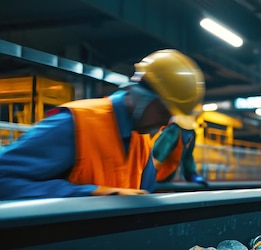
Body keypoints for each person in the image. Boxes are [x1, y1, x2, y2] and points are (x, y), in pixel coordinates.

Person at [0, 49, 205, 200]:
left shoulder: (141, 140)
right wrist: (88, 194)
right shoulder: (74, 123)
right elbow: (4, 179)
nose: (165, 122)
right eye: (163, 111)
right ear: (141, 96)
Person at [150, 115, 208, 186]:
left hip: (165, 178)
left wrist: (192, 175)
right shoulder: (173, 130)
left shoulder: (191, 134)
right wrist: (148, 179)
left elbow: (188, 158)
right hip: (155, 178)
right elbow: (156, 157)